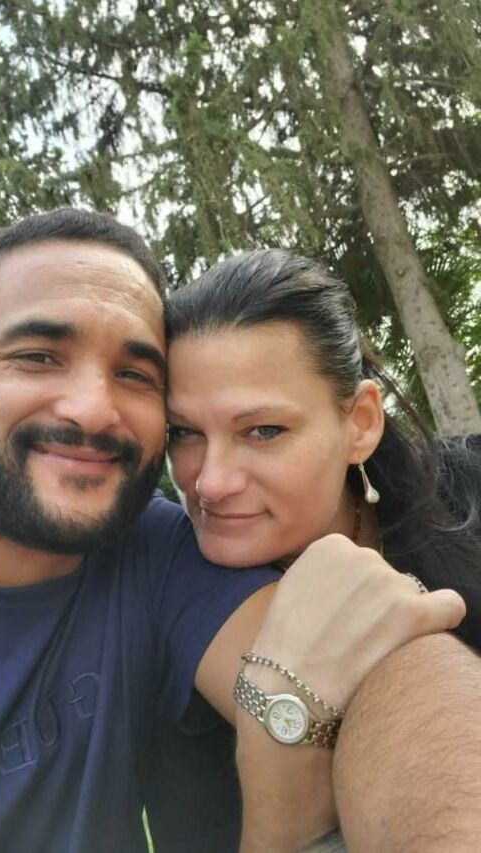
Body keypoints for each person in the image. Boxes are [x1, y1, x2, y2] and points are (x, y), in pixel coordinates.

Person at [0, 210, 463, 853]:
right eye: (38, 357)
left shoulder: (157, 552)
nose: (93, 409)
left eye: (134, 374)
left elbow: (392, 683)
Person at [164, 247, 481, 850]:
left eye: (263, 431)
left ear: (360, 422)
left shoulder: (469, 490)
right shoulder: (168, 589)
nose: (210, 483)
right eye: (184, 433)